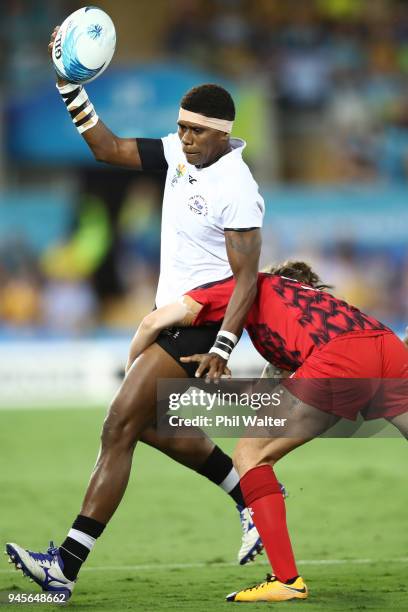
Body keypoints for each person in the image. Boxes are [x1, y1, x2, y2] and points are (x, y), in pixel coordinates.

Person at [5, 26, 266, 601]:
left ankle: (64, 566)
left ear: (223, 134)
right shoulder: (179, 152)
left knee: (118, 425)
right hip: (168, 314)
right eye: (180, 128)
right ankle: (253, 502)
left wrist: (223, 347)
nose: (183, 138)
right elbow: (108, 148)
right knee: (154, 428)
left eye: (195, 132)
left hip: (199, 321)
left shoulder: (237, 187)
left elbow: (246, 277)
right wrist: (69, 88)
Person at [120, 260, 408, 602]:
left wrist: (129, 387)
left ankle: (286, 580)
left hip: (341, 357)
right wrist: (211, 385)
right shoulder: (314, 305)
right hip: (387, 345)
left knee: (251, 454)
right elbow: (266, 399)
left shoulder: (249, 285)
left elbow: (152, 321)